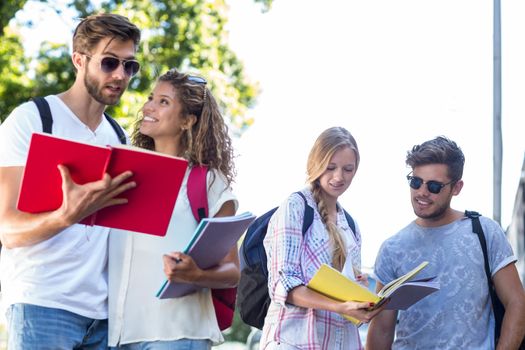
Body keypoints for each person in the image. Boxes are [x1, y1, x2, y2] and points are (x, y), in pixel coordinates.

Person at [0, 13, 141, 349]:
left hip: (105, 319)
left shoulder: (119, 138)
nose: (120, 75)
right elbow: (7, 230)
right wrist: (67, 215)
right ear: (79, 60)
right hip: (42, 305)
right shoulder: (33, 120)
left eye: (130, 66)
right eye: (109, 63)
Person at [108, 68, 239, 349]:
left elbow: (232, 270)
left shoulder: (207, 180)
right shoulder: (125, 172)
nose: (148, 107)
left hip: (177, 333)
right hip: (119, 333)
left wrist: (197, 276)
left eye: (163, 102)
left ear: (187, 120)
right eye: (151, 98)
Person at [366, 136, 525, 349]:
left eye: (433, 186)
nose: (422, 192)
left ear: (456, 187)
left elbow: (517, 303)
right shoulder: (392, 248)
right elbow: (382, 330)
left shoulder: (485, 232)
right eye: (415, 182)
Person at [259, 127, 383, 350]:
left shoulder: (351, 226)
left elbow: (347, 287)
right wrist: (339, 306)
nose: (339, 177)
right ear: (315, 164)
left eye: (348, 169)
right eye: (331, 167)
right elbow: (282, 285)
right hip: (295, 341)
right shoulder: (296, 206)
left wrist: (360, 291)